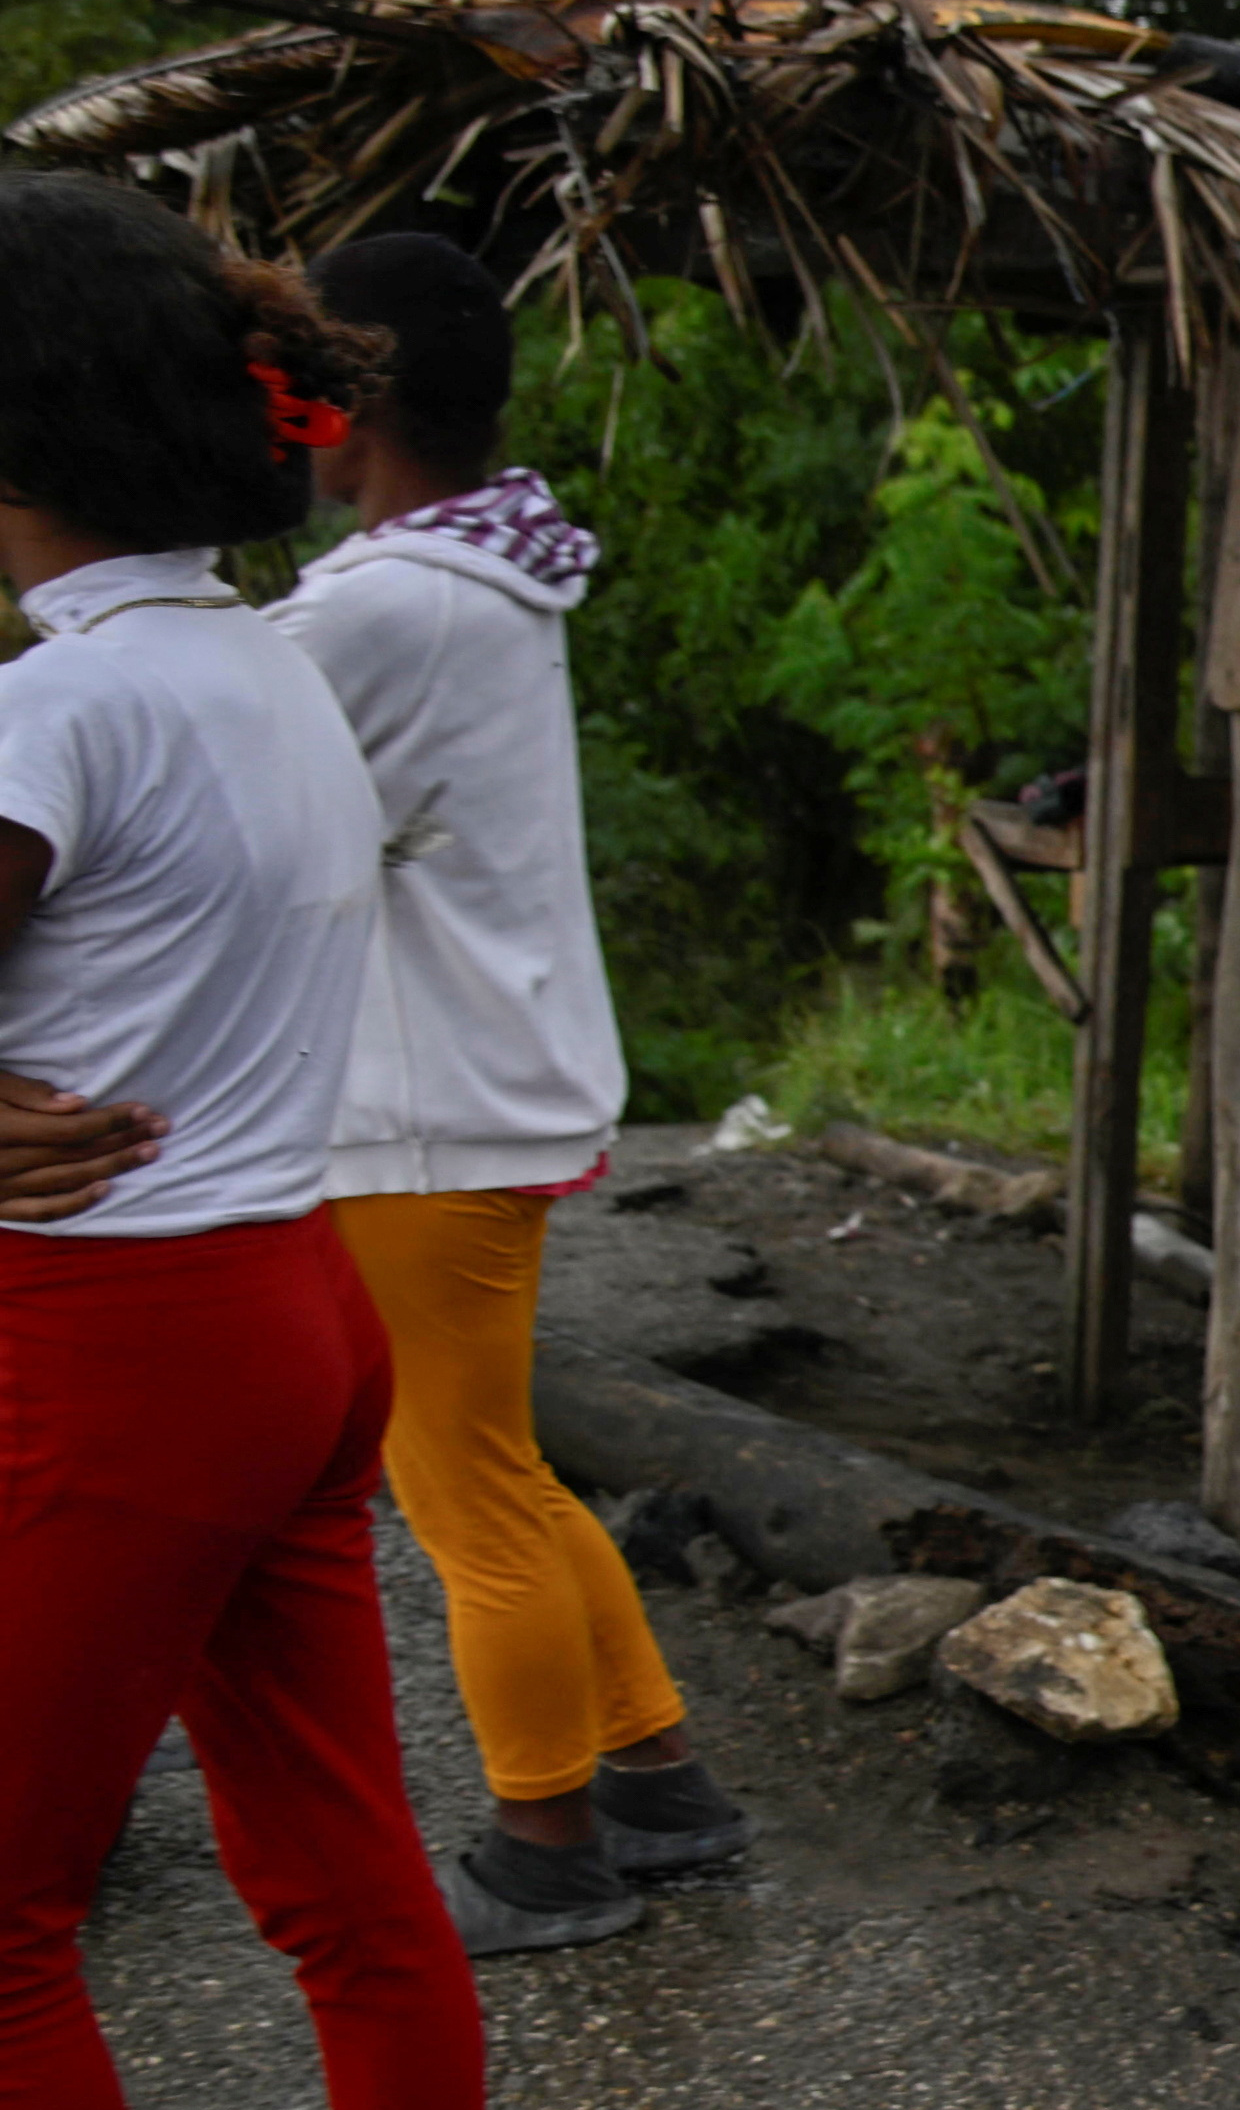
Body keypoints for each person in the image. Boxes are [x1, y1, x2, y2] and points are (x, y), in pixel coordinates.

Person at [0, 175, 578, 2110]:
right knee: (339, 1861)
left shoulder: (48, 704)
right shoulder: (255, 671)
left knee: (3, 1922)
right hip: (290, 1302)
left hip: (110, 1351)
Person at [276, 230, 746, 1958]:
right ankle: (658, 1781)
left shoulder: (383, 603)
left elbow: (209, 789)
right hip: (478, 1084)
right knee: (503, 1473)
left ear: (353, 397)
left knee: (461, 1494)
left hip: (419, 1109)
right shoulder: (477, 574)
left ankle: (544, 1843)